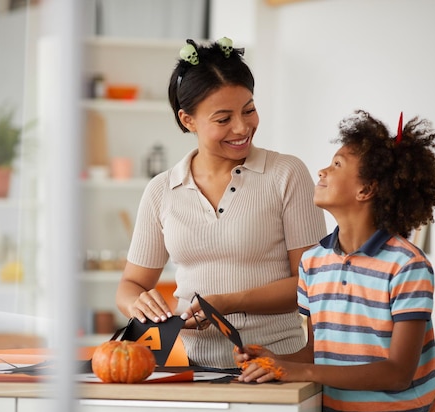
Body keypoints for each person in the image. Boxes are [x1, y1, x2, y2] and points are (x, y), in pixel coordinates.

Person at [115, 37, 327, 369]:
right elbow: (131, 285)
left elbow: (311, 283)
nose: (242, 128)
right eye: (223, 119)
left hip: (275, 364)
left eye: (249, 110)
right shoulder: (162, 190)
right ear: (188, 121)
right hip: (184, 368)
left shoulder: (287, 174)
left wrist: (228, 303)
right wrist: (138, 304)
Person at [235, 110, 435, 412]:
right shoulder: (313, 262)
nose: (322, 171)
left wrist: (300, 372)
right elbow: (315, 352)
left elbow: (398, 373)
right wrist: (277, 361)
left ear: (366, 189)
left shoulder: (407, 265)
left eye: (336, 165)